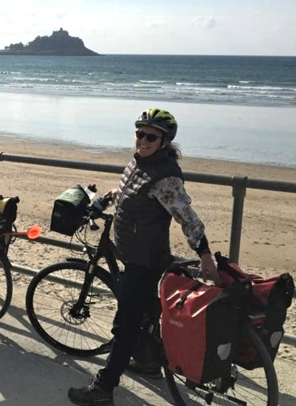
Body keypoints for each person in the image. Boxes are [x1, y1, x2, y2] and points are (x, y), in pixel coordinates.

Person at [68, 108, 221, 406]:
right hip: (133, 252)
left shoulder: (165, 178)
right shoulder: (140, 163)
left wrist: (205, 256)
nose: (143, 140)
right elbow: (128, 189)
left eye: (151, 136)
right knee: (147, 312)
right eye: (139, 133)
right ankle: (149, 361)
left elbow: (187, 217)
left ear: (164, 142)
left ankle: (103, 388)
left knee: (125, 324)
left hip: (145, 258)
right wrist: (107, 198)